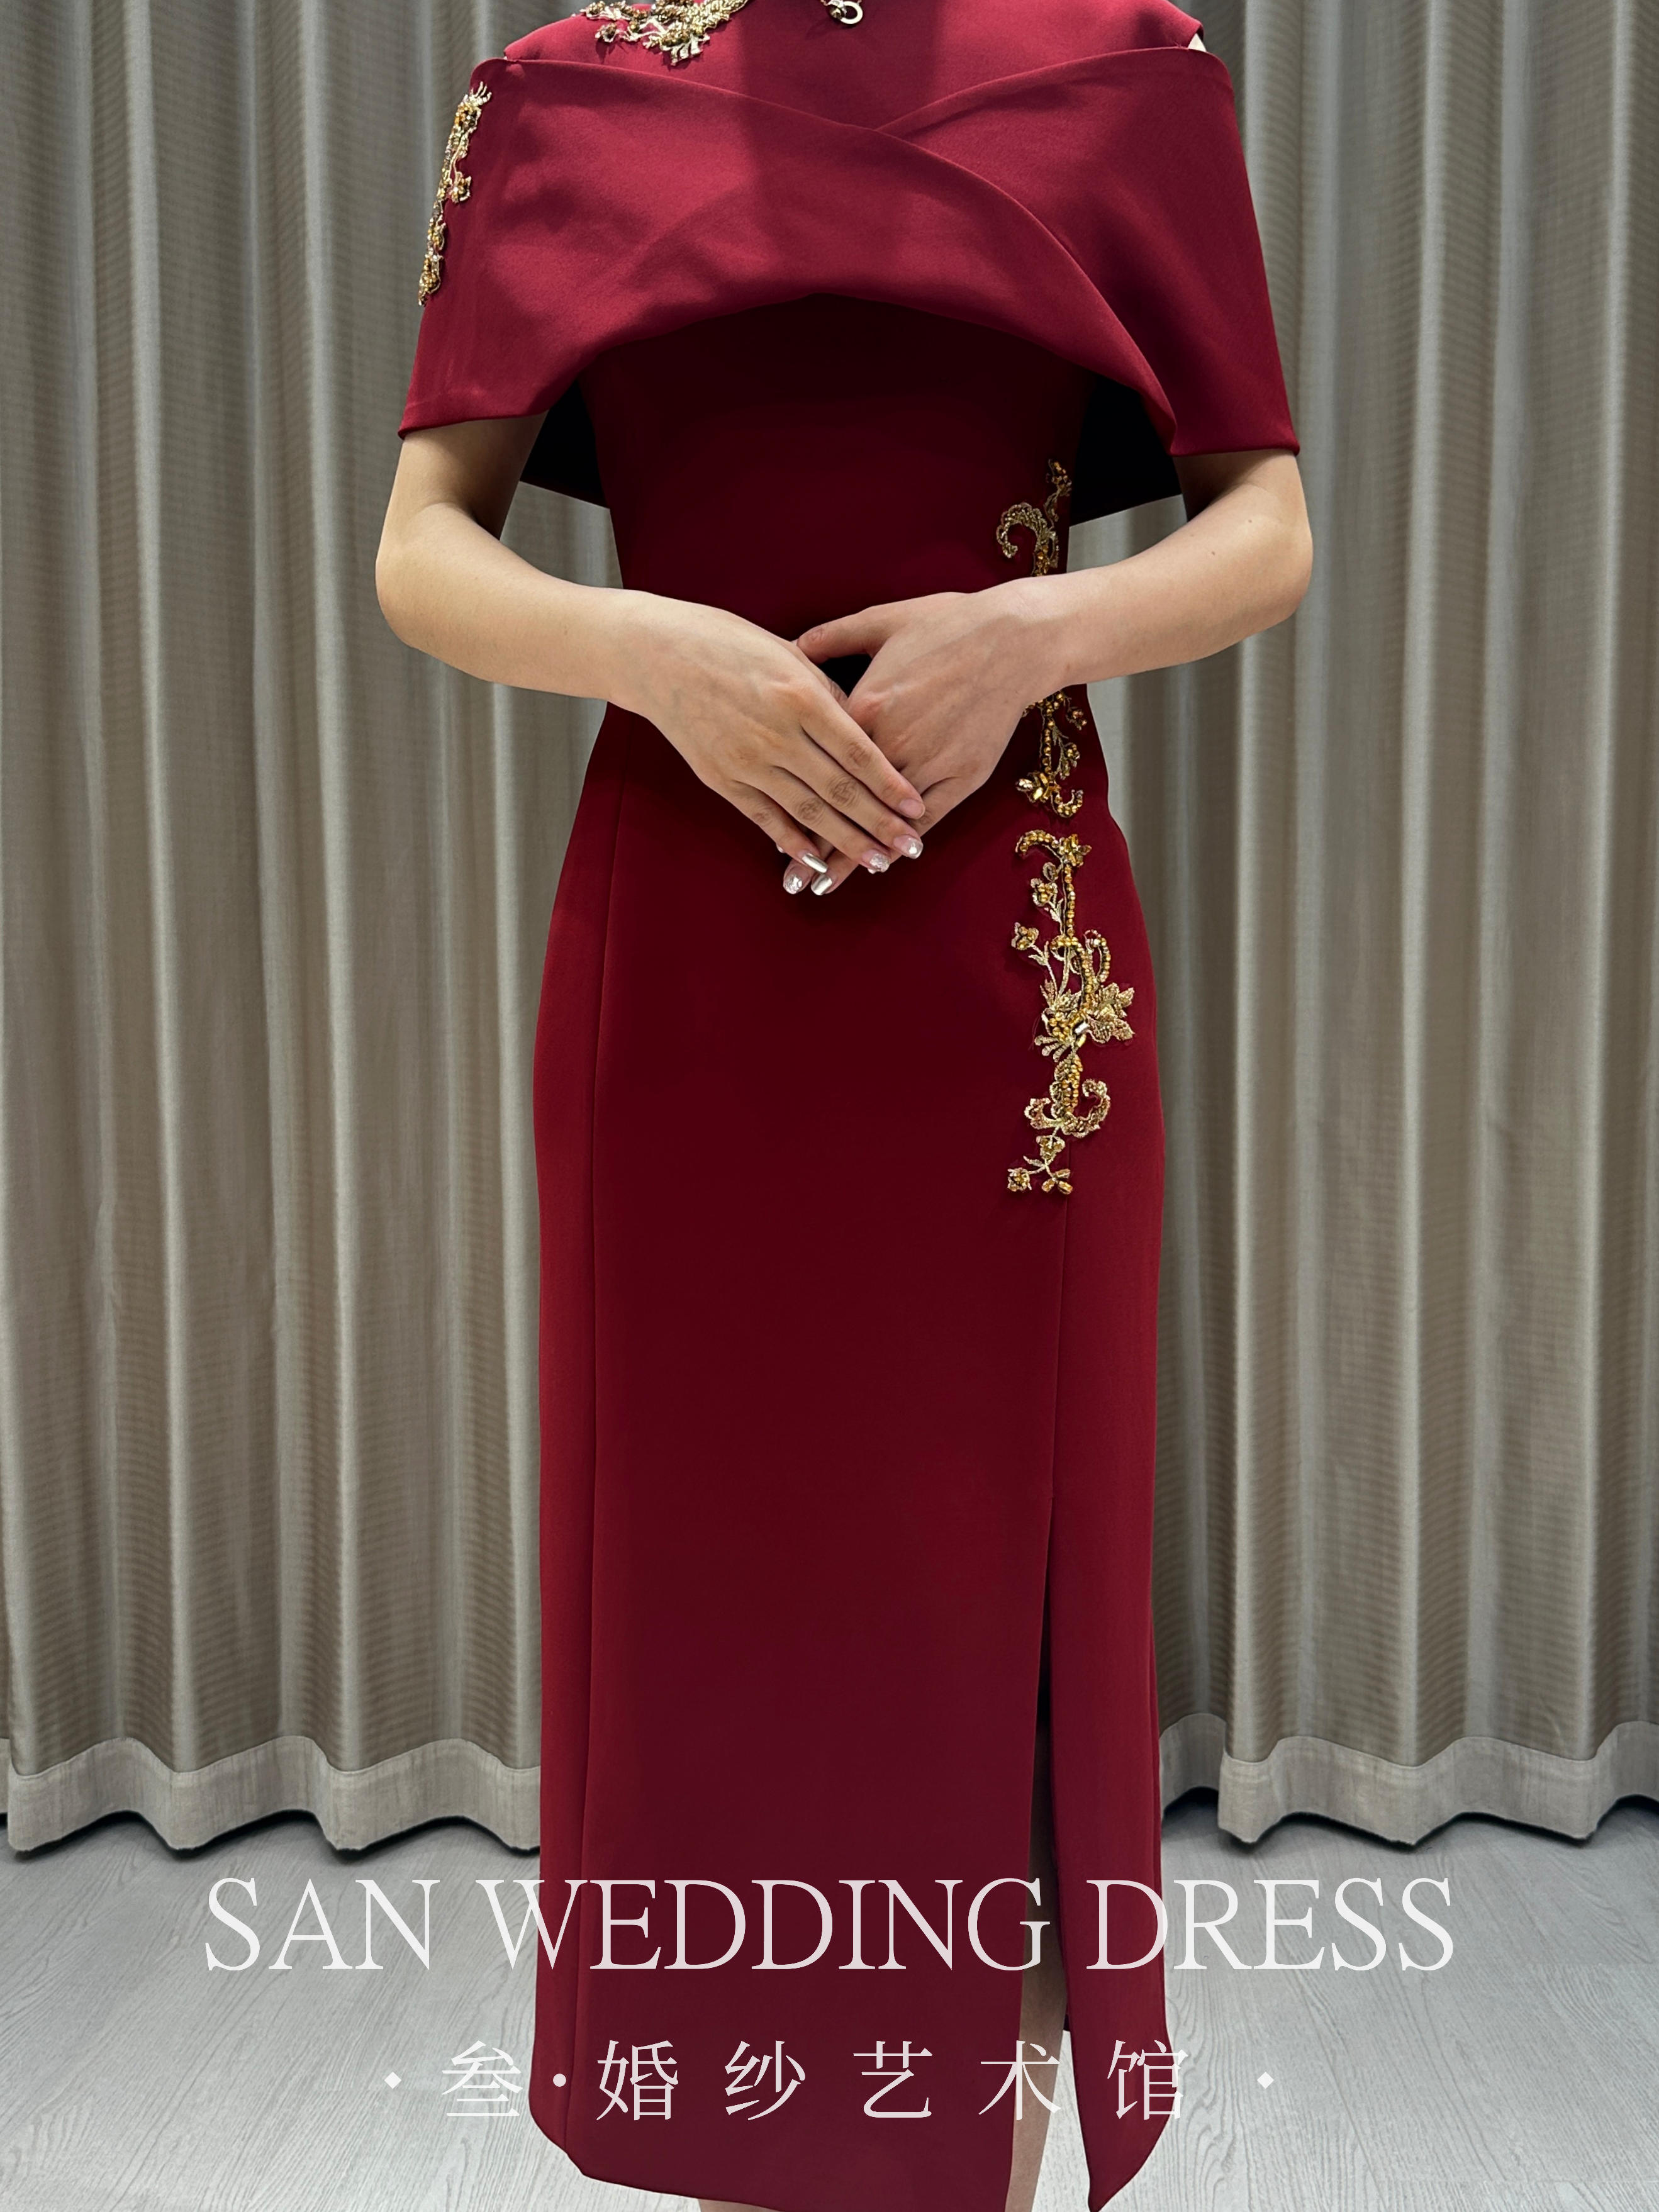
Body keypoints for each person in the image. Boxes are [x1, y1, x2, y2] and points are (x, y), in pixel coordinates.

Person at [375, 5, 1310, 2209]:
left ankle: (968, 2154)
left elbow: (1266, 525)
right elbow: (424, 544)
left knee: (992, 1606)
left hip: (1004, 956)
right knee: (705, 1602)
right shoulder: (564, 94)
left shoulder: (1125, 67)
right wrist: (651, 650)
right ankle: (733, 2139)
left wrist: (1036, 634)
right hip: (689, 952)